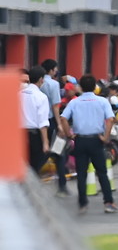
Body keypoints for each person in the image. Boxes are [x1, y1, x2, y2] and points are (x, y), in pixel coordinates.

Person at [60, 74, 118, 214]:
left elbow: (63, 118)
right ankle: (108, 202)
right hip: (96, 140)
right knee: (102, 172)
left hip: (80, 140)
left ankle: (82, 204)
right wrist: (105, 137)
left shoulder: (74, 102)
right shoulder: (102, 101)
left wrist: (69, 134)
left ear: (81, 87)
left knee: (81, 174)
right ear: (94, 87)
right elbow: (111, 119)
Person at [40, 59, 70, 195]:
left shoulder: (37, 83)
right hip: (51, 122)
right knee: (59, 153)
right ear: (51, 70)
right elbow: (55, 106)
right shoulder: (53, 84)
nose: (56, 71)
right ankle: (62, 186)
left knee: (40, 153)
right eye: (55, 69)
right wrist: (59, 125)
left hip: (38, 122)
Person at [21, 66, 51, 175]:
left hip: (19, 135)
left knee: (22, 166)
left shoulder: (18, 94)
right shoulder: (41, 97)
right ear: (41, 79)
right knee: (34, 168)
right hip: (34, 136)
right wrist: (45, 143)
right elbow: (43, 123)